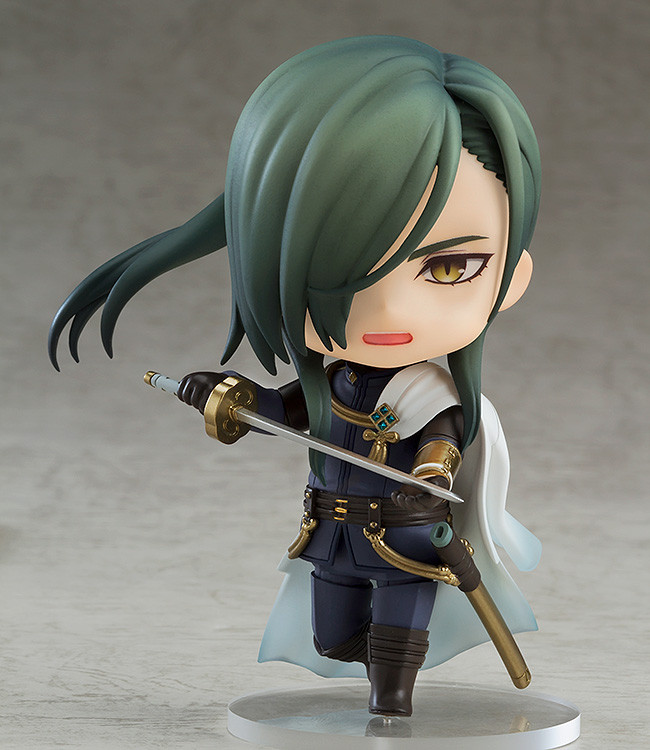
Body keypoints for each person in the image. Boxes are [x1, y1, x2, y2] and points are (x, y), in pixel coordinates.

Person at [49, 36, 542, 717]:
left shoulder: (431, 395)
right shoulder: (331, 385)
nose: (389, 311)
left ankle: (391, 701)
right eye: (331, 271)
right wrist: (230, 398)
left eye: (449, 267)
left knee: (392, 669)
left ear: (512, 277)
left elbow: (441, 442)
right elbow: (278, 411)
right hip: (332, 536)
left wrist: (431, 476)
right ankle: (376, 675)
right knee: (332, 639)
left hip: (407, 537)